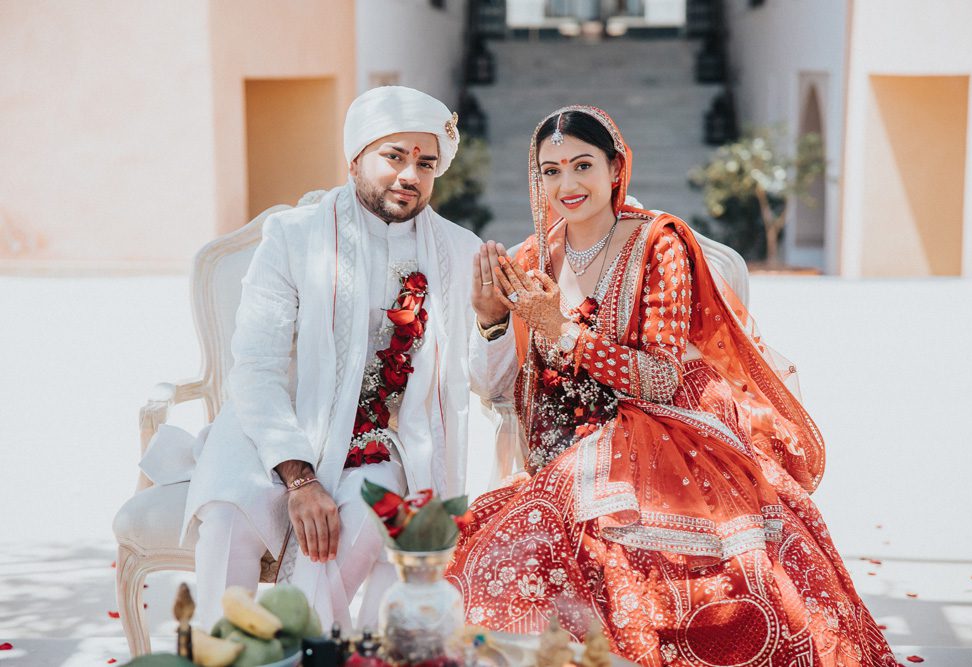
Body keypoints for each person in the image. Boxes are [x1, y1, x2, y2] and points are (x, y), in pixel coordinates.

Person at [445, 106, 896, 667]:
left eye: (582, 165)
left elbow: (659, 378)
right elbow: (495, 390)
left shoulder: (659, 243)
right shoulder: (531, 257)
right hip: (562, 448)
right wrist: (491, 319)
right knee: (499, 551)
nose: (567, 184)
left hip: (665, 435)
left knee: (672, 571)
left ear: (615, 168)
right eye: (550, 170)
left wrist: (559, 328)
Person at [162, 86, 515, 630]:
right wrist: (300, 480)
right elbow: (255, 368)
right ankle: (223, 648)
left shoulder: (460, 250)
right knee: (229, 513)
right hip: (279, 425)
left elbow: (488, 386)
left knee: (371, 521)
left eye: (425, 163)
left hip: (385, 438)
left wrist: (493, 323)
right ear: (354, 159)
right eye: (393, 156)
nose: (410, 175)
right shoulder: (294, 237)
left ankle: (300, 649)